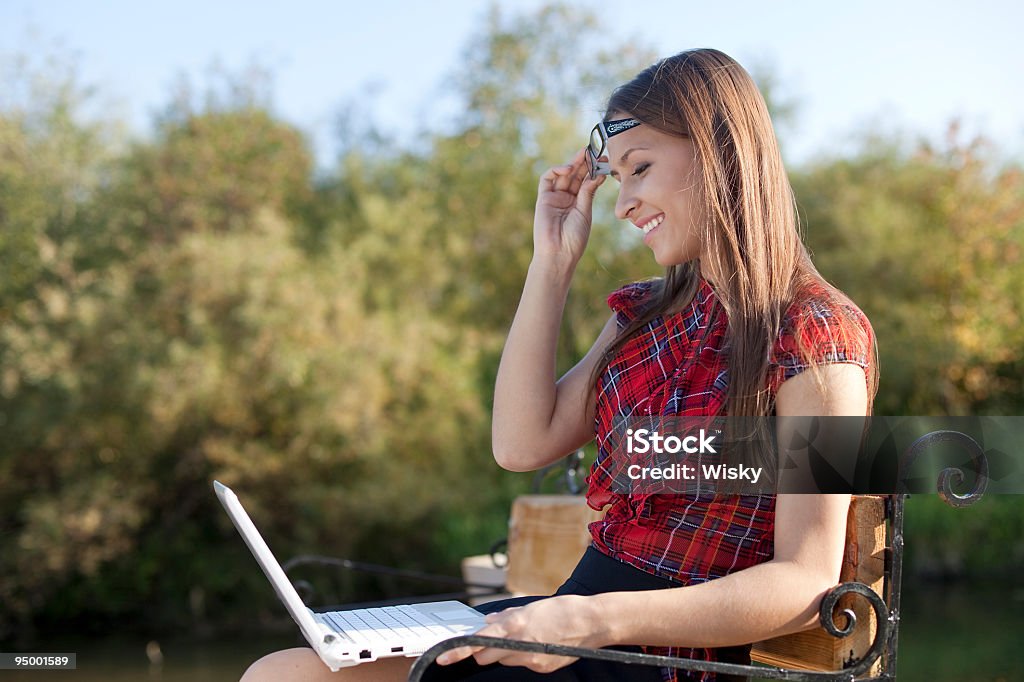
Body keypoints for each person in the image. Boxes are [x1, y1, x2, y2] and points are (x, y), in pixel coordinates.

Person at [240, 47, 877, 682]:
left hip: (659, 657)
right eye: (619, 178)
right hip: (574, 625)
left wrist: (586, 623)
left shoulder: (817, 333)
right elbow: (520, 443)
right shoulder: (648, 318)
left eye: (641, 168)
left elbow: (806, 581)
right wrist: (551, 262)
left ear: (719, 152)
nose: (624, 203)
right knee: (285, 672)